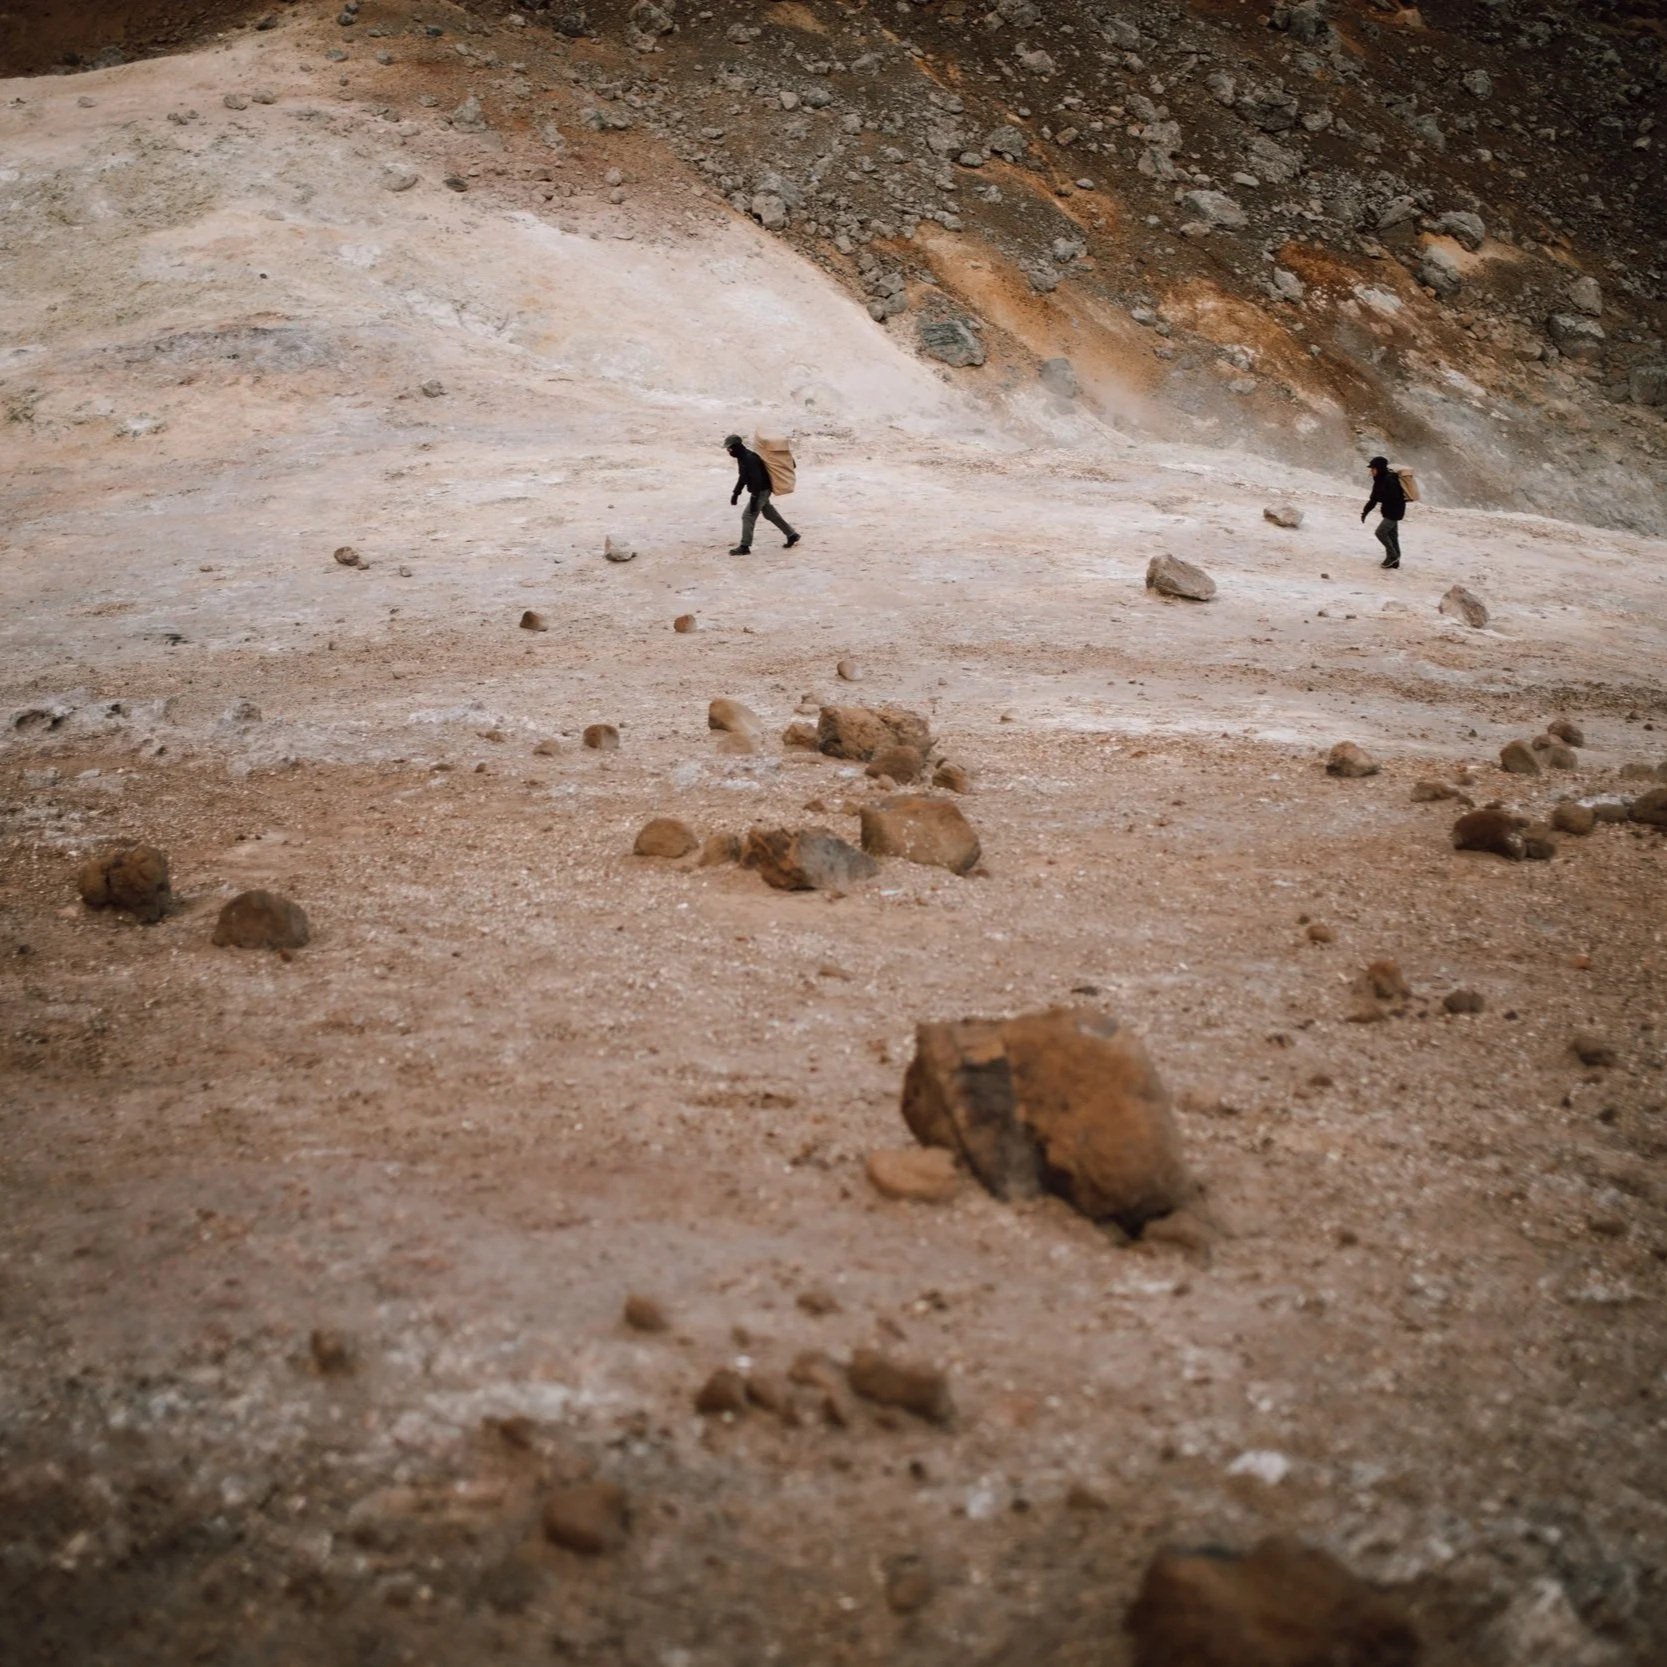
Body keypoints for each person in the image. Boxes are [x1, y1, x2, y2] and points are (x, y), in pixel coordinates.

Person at [724, 434, 800, 555]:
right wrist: (736, 493)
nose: (728, 451)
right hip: (760, 491)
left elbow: (757, 480)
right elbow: (743, 477)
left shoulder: (750, 458)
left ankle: (745, 546)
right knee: (770, 514)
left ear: (736, 446)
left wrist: (754, 498)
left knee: (748, 516)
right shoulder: (742, 457)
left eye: (729, 448)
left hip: (761, 491)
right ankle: (792, 535)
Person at [1361, 456, 1407, 569]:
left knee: (1380, 532)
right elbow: (1373, 499)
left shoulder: (1390, 480)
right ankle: (1395, 561)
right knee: (1392, 536)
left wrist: (1381, 497)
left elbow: (1394, 497)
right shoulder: (1379, 480)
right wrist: (1365, 512)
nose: (1371, 471)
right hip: (1389, 511)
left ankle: (1392, 556)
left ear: (1379, 468)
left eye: (1373, 468)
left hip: (1394, 512)